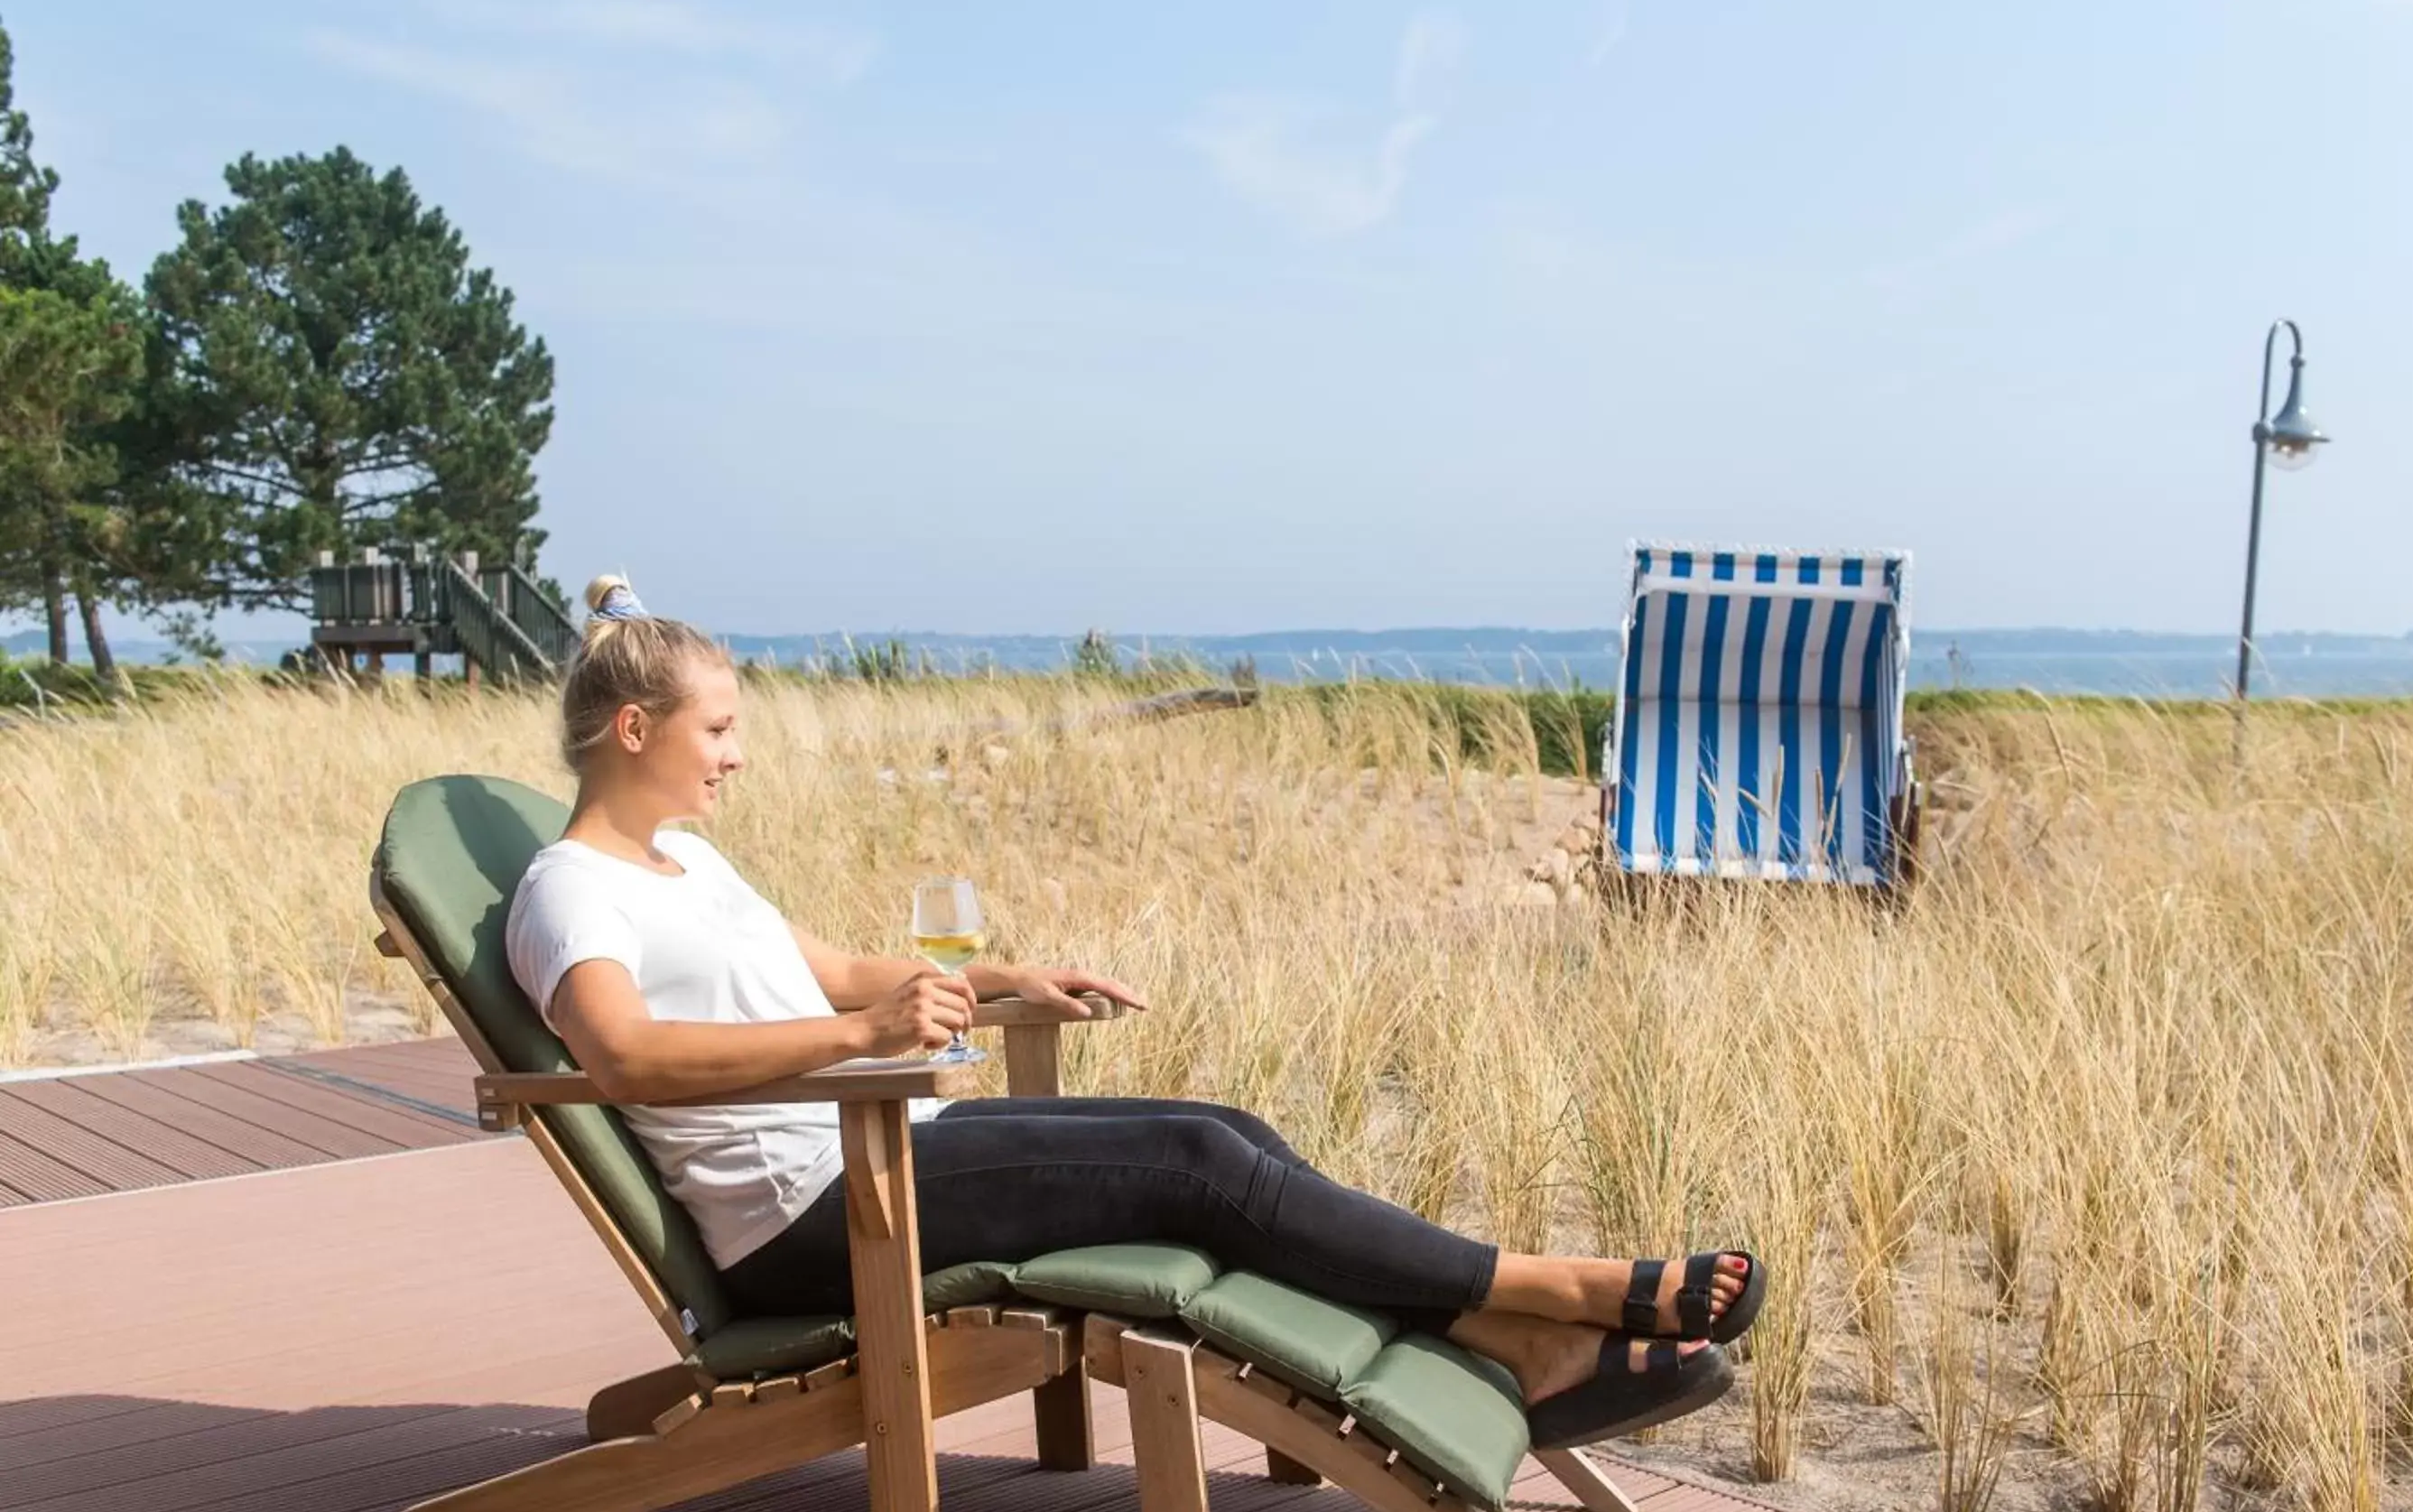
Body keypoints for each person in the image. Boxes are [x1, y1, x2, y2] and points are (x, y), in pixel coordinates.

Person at [504, 577, 1765, 1448]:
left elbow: (839, 973)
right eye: (718, 729)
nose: (736, 753)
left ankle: (1513, 1341)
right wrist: (857, 1045)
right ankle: (1556, 1291)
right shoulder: (570, 893)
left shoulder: (691, 864)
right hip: (810, 1219)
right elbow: (621, 1054)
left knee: (1226, 1131)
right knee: (1198, 1164)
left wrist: (1000, 980)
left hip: (874, 1156)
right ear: (634, 728)